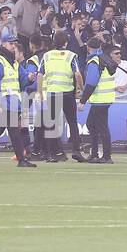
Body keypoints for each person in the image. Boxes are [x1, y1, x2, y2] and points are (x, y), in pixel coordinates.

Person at [37, 30, 85, 163]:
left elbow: (40, 74)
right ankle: (76, 151)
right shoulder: (71, 55)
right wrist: (81, 88)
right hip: (67, 93)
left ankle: (52, 154)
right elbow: (77, 74)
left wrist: (39, 92)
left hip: (52, 93)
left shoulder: (47, 56)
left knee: (51, 124)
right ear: (66, 42)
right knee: (72, 122)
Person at [78, 40, 116, 163]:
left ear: (88, 47)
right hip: (106, 98)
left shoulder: (94, 61)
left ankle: (105, 156)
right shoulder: (104, 58)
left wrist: (83, 101)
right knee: (94, 125)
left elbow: (91, 83)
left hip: (100, 99)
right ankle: (96, 154)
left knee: (98, 126)